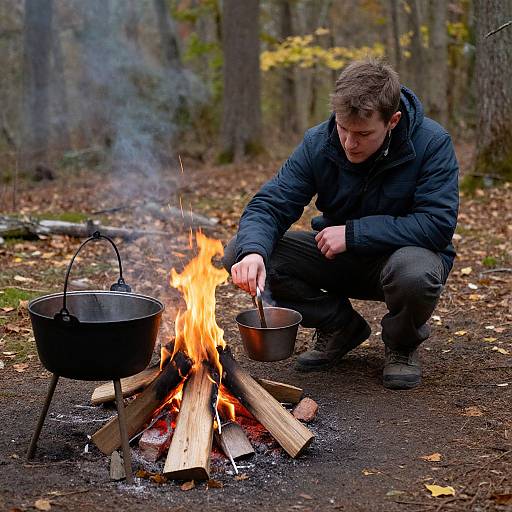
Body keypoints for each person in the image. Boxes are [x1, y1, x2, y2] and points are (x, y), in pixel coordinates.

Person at [223, 59, 459, 390]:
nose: (349, 143)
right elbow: (271, 204)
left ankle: (402, 346)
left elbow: (437, 225)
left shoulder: (431, 143)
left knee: (414, 273)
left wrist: (355, 234)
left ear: (392, 121)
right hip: (337, 260)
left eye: (363, 134)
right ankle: (340, 326)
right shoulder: (319, 142)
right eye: (343, 128)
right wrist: (252, 252)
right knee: (239, 251)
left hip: (400, 261)